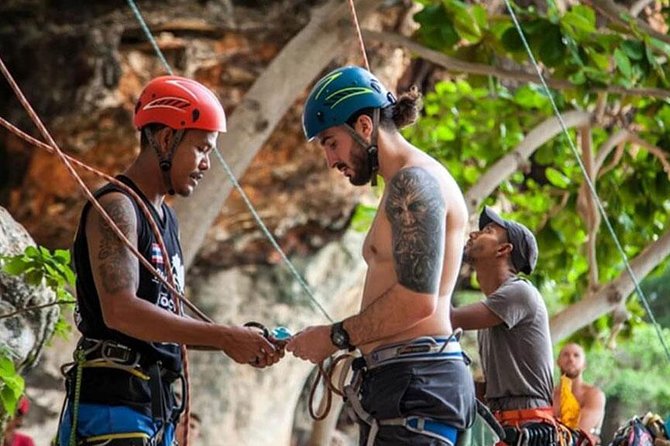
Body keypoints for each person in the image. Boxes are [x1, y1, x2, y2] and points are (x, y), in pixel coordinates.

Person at [57, 75, 280, 446]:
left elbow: (162, 322)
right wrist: (224, 336)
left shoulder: (166, 219)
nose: (207, 164)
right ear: (165, 139)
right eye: (202, 149)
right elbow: (121, 311)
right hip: (114, 407)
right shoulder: (118, 207)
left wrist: (237, 341)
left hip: (152, 405)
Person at [286, 66, 477, 445]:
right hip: (409, 387)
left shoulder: (413, 181)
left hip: (416, 388)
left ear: (363, 126)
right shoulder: (405, 182)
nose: (329, 160)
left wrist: (335, 336)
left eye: (330, 142)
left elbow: (417, 299)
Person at [451, 207, 555, 444]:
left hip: (527, 425)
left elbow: (448, 319)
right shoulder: (494, 309)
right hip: (505, 424)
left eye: (487, 230)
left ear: (504, 249)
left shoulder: (519, 293)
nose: (473, 235)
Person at [553, 343, 606, 444]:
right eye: (566, 355)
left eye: (576, 355)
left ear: (584, 364)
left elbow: (577, 432)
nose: (571, 359)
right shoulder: (549, 394)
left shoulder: (594, 395)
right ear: (557, 362)